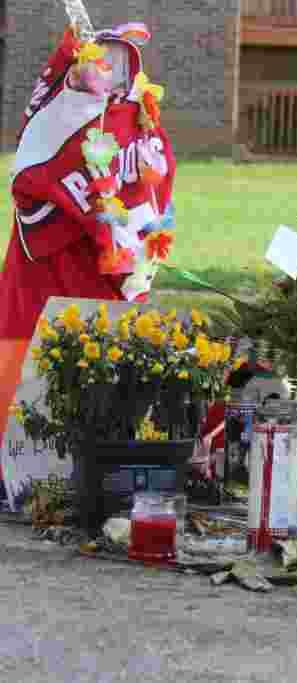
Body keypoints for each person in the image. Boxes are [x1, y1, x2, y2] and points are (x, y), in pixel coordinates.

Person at [0, 23, 175, 445]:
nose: (106, 72)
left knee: (102, 359)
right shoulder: (57, 118)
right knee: (31, 356)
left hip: (104, 278)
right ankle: (17, 450)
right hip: (49, 266)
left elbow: (155, 185)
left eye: (118, 63)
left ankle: (100, 447)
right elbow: (36, 172)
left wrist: (133, 244)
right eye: (100, 61)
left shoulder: (139, 119)